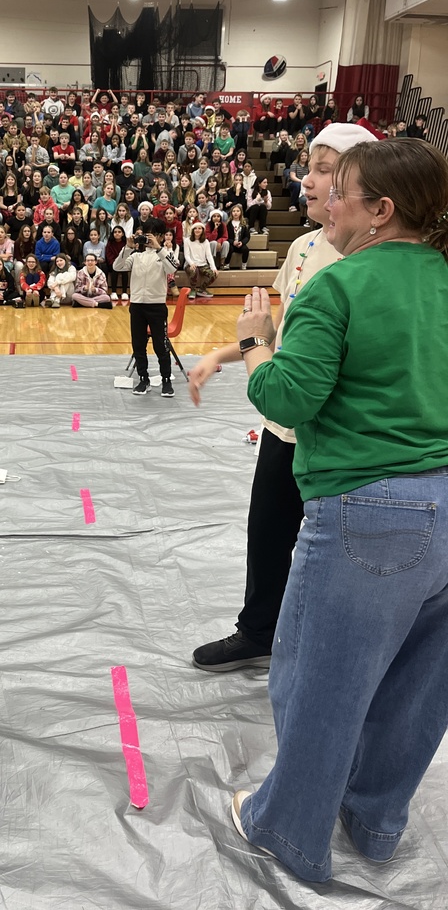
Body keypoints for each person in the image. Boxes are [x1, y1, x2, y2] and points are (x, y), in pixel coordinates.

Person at [223, 135, 448, 883]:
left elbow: (288, 398)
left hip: (369, 511)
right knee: (420, 687)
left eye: (337, 186)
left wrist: (255, 345)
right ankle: (376, 823)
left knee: (321, 679)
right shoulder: (441, 276)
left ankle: (289, 828)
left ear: (379, 211)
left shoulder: (338, 285)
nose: (320, 196)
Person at [189, 122, 380, 674]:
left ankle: (330, 648)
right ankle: (258, 631)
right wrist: (220, 356)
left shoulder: (371, 258)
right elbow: (280, 333)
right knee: (268, 531)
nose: (307, 180)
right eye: (309, 167)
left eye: (324, 170)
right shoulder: (301, 247)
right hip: (284, 428)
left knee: (332, 548)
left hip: (332, 430)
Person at [113, 230, 180, 397]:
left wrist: (159, 248)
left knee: (161, 346)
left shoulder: (165, 254)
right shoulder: (136, 256)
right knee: (138, 345)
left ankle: (166, 380)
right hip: (137, 305)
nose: (147, 239)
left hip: (157, 306)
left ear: (160, 236)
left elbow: (172, 267)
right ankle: (143, 378)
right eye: (145, 236)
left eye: (152, 235)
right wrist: (127, 248)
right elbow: (117, 266)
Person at [183, 222, 218, 299]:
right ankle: (193, 290)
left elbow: (209, 256)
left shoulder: (206, 242)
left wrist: (213, 267)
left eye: (199, 228)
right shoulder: (187, 241)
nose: (197, 230)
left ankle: (202, 289)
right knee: (194, 271)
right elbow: (187, 255)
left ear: (202, 230)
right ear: (192, 230)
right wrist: (191, 263)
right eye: (195, 228)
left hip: (203, 264)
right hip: (190, 264)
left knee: (214, 274)